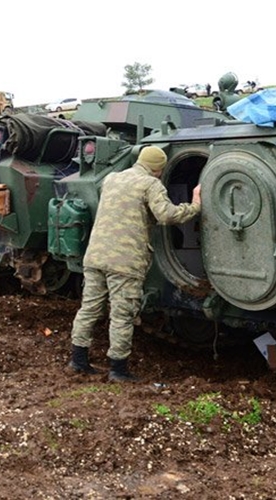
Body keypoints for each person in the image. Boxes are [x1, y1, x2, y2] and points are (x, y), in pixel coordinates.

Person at [67, 146, 202, 382]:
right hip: (125, 261)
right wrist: (195, 204)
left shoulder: (112, 179)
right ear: (159, 169)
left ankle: (78, 360)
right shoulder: (151, 184)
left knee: (89, 307)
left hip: (96, 255)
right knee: (122, 314)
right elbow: (167, 215)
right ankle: (118, 370)